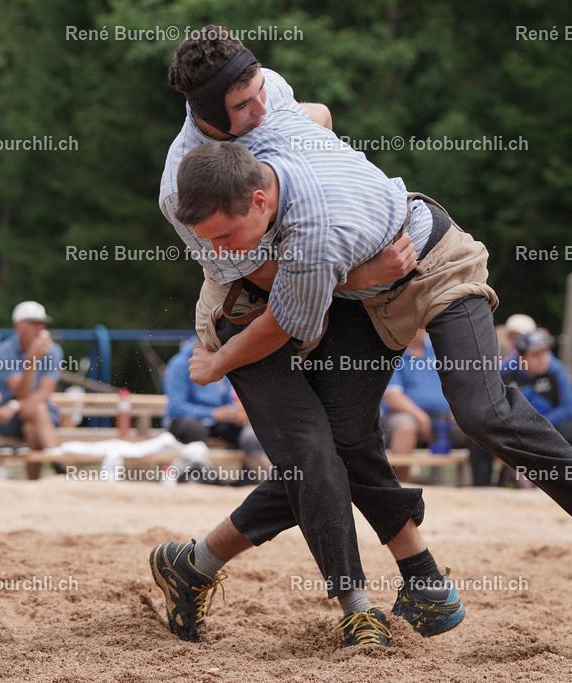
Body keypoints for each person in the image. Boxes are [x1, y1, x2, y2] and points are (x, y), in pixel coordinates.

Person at [174, 108, 572, 624]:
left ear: (258, 199)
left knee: (481, 412)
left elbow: (285, 319)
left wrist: (216, 362)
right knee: (338, 446)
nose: (218, 251)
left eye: (225, 235)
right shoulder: (264, 155)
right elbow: (317, 114)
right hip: (373, 296)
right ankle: (419, 580)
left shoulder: (316, 229)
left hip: (433, 267)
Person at [150, 27, 459, 649]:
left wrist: (328, 178)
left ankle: (193, 565)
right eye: (241, 108)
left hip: (312, 292)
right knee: (314, 453)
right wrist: (366, 273)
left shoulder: (262, 95)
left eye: (258, 91)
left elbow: (313, 115)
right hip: (247, 313)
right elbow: (271, 286)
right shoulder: (183, 190)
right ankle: (357, 606)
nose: (259, 109)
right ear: (208, 117)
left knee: (337, 446)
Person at [164, 336, 269, 480]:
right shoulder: (179, 364)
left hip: (214, 423)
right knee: (196, 429)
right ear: (202, 341)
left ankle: (246, 481)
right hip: (185, 422)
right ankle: (196, 478)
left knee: (247, 435)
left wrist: (233, 414)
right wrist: (213, 413)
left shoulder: (218, 364)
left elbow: (227, 401)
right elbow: (176, 408)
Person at [492, 330, 572, 486]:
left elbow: (568, 409)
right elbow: (495, 408)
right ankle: (481, 487)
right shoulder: (505, 373)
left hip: (550, 428)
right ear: (522, 357)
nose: (543, 359)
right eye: (536, 355)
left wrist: (540, 425)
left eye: (546, 353)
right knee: (479, 437)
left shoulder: (556, 371)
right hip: (516, 431)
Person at [383, 329, 471, 482]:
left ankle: (470, 485)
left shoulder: (439, 350)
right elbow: (392, 396)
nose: (423, 328)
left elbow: (459, 387)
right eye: (418, 324)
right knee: (406, 427)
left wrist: (458, 410)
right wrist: (421, 417)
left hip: (445, 416)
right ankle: (400, 486)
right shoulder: (394, 353)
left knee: (473, 424)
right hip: (406, 415)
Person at [0, 301, 64, 480]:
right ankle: (59, 465)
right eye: (33, 322)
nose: (40, 328)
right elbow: (22, 392)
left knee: (33, 425)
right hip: (11, 420)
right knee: (39, 411)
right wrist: (31, 360)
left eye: (42, 323)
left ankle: (34, 483)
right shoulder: (5, 351)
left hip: (23, 413)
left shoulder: (53, 351)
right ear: (18, 326)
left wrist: (14, 406)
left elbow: (43, 394)